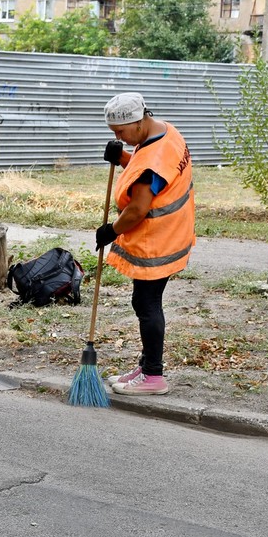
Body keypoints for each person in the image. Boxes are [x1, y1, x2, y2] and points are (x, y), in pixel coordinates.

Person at [95, 92, 196, 396]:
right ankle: (146, 365)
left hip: (158, 241)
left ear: (138, 122)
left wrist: (111, 230)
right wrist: (123, 158)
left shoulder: (153, 157)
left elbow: (138, 208)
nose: (119, 137)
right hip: (173, 231)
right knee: (144, 302)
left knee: (147, 304)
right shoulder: (165, 132)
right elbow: (149, 172)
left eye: (121, 132)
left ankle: (154, 375)